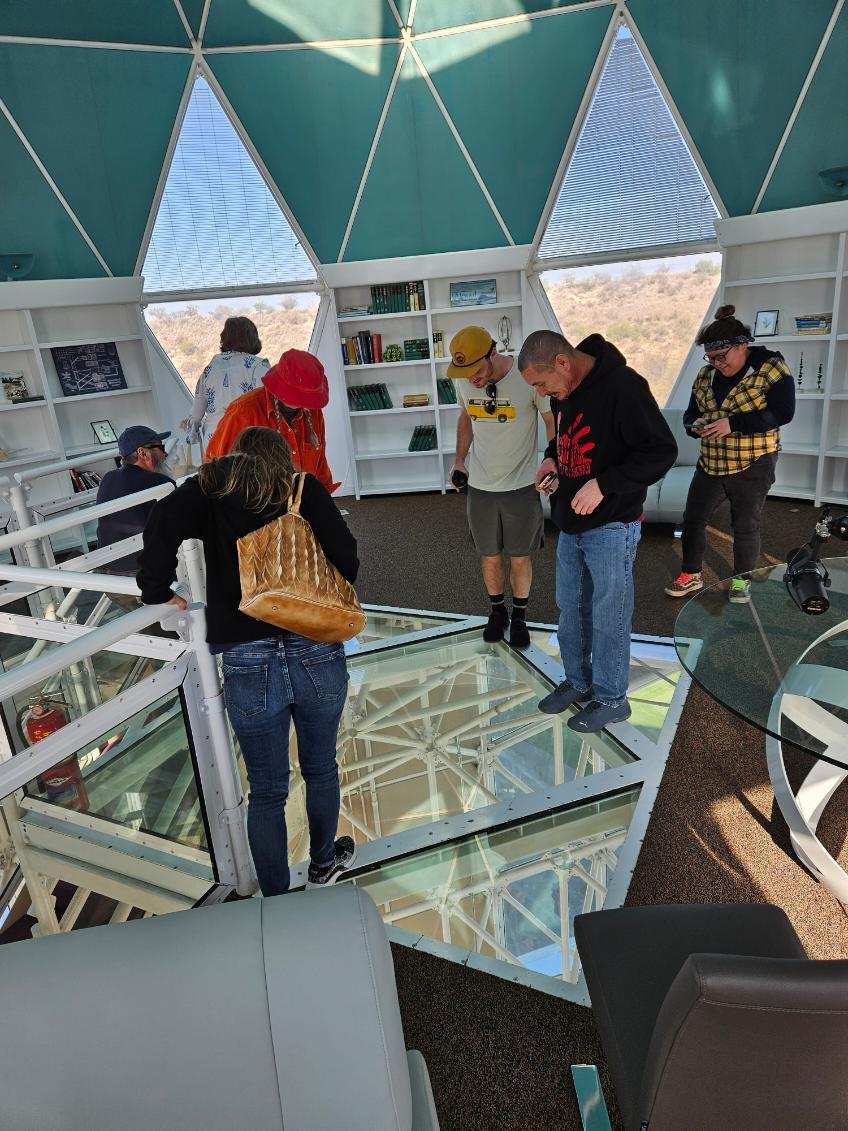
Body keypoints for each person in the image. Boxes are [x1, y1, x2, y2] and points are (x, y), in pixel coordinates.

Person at [137, 427, 358, 896]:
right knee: (321, 766)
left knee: (267, 788)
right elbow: (348, 559)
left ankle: (275, 896)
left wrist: (157, 590)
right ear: (282, 457)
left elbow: (161, 521)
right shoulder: (300, 488)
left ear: (237, 457)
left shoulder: (209, 492)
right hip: (314, 646)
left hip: (246, 656)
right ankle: (322, 864)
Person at [518, 329, 677, 733]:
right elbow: (565, 441)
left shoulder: (624, 388)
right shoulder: (563, 391)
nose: (541, 393)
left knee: (609, 612)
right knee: (570, 606)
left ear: (562, 363)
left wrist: (605, 483)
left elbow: (661, 451)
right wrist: (552, 461)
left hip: (612, 524)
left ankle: (611, 698)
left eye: (540, 384)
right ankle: (578, 681)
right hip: (570, 522)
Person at [665, 304, 795, 604]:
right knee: (694, 519)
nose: (716, 364)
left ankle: (741, 580)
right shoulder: (705, 375)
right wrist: (693, 426)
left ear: (742, 345)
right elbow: (691, 413)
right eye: (710, 358)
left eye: (721, 357)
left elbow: (783, 413)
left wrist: (733, 423)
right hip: (710, 462)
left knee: (745, 524)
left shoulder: (772, 369)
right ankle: (691, 573)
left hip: (754, 462)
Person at [448, 326, 554, 649]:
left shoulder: (526, 378)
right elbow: (466, 416)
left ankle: (519, 615)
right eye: (465, 374)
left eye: (477, 371)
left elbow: (551, 420)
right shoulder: (464, 382)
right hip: (480, 488)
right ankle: (497, 612)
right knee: (489, 557)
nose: (472, 380)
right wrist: (459, 459)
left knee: (521, 558)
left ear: (492, 354)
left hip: (522, 487)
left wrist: (553, 460)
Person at [204, 348, 338, 493]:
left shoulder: (312, 411)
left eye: (307, 397)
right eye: (300, 395)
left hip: (301, 503)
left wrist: (323, 500)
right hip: (256, 506)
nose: (303, 402)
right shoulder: (243, 412)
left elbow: (320, 467)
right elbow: (215, 466)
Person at [96, 425, 173, 599]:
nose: (165, 454)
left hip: (112, 578)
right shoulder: (160, 483)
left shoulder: (107, 479)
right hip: (146, 577)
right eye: (160, 448)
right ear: (143, 453)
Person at [183, 316, 270, 447]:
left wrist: (191, 433)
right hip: (248, 437)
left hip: (215, 438)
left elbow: (196, 413)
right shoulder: (259, 366)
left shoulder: (210, 368)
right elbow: (270, 405)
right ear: (253, 338)